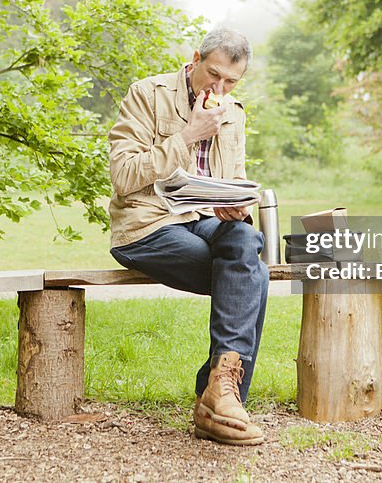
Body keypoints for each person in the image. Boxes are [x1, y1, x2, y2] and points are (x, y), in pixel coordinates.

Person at [107, 27, 267, 446]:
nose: (219, 88)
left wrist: (235, 206)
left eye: (231, 81)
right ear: (195, 58)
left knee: (245, 241)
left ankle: (218, 397)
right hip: (147, 225)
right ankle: (219, 401)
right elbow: (123, 176)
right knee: (253, 276)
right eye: (213, 75)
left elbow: (232, 179)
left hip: (203, 220)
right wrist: (187, 136)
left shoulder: (233, 112)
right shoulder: (147, 94)